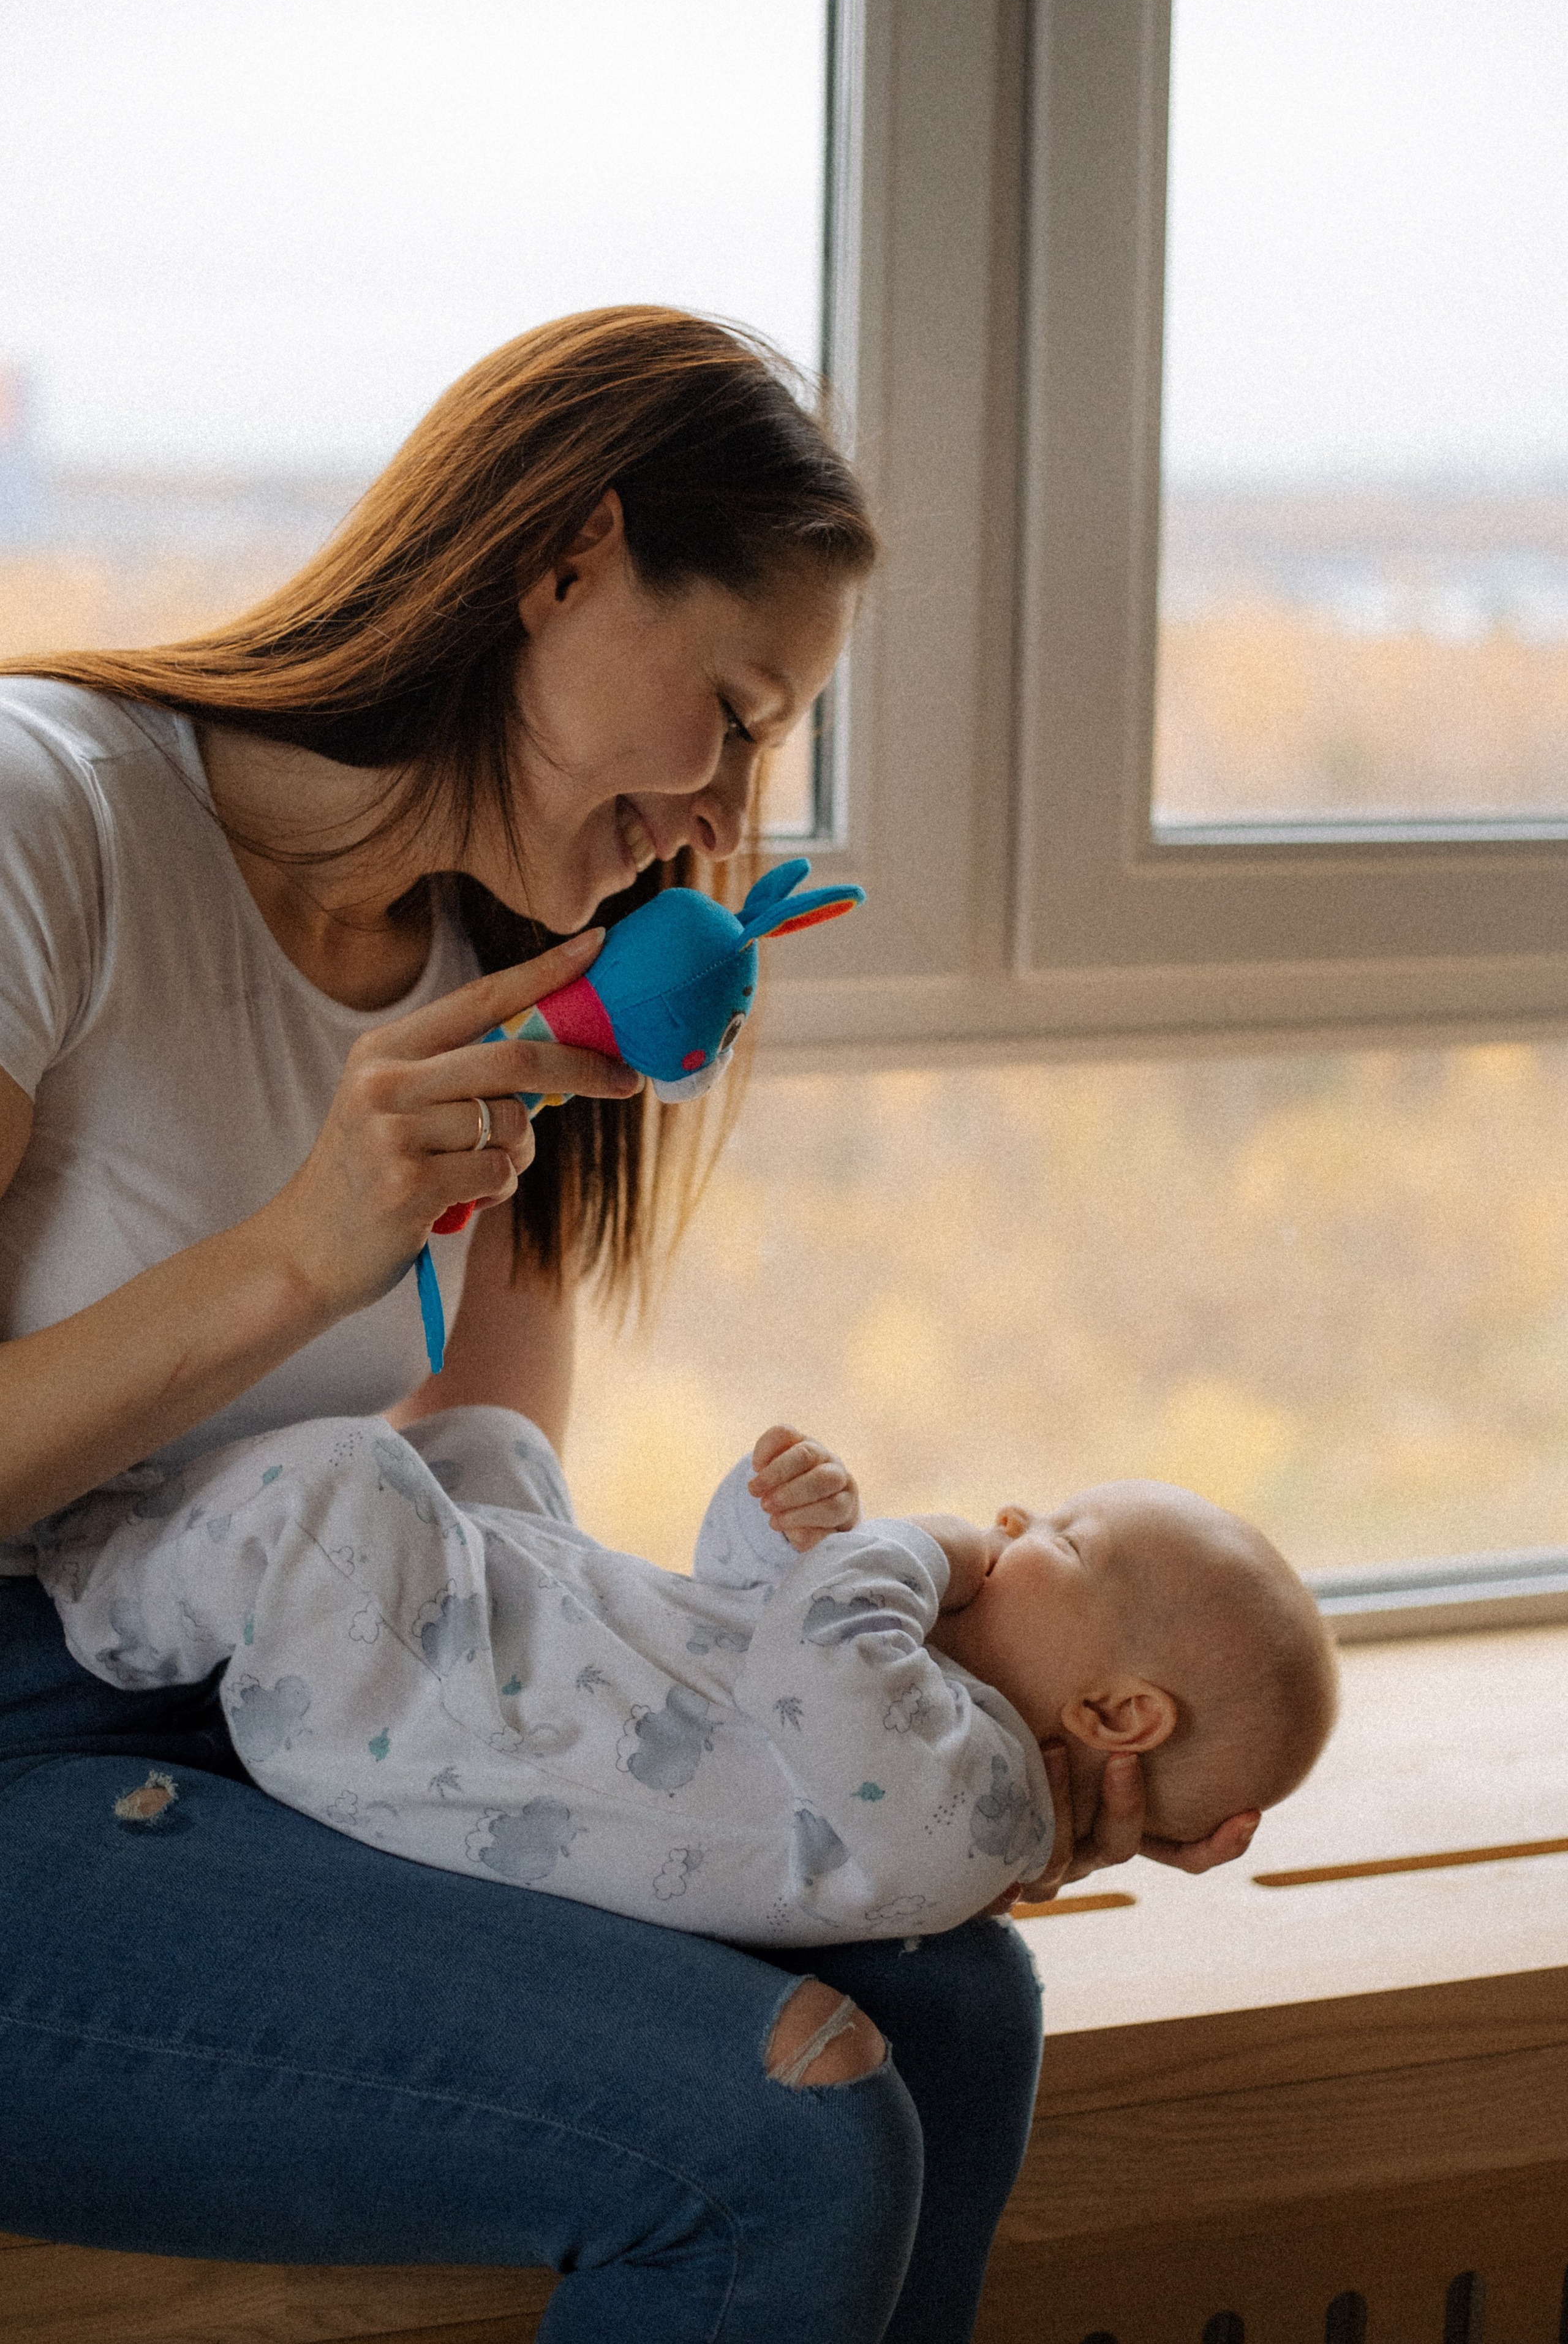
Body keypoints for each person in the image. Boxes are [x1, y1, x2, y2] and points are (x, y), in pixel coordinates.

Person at [0, 307, 1257, 2344]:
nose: (713, 816)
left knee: (946, 1990)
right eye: (735, 711)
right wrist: (298, 1255)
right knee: (776, 2138)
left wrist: (899, 1748)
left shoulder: (507, 983)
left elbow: (477, 1553)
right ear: (565, 559)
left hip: (242, 1731)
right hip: (24, 1764)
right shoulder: (44, 823)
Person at [31, 1416, 1336, 1945]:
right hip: (529, 1654)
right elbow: (737, 1610)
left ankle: (102, 1587)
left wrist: (914, 1543)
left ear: (1115, 1712)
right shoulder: (925, 1712)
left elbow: (811, 1649)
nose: (1003, 1519)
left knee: (340, 1495)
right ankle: (192, 1541)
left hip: (419, 1728)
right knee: (495, 1442)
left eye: (1058, 1532)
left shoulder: (969, 1809)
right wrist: (774, 1530)